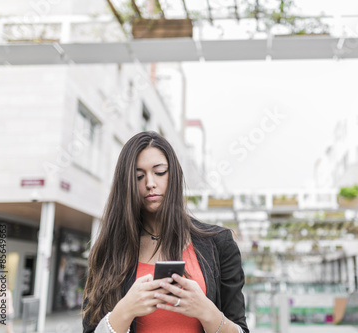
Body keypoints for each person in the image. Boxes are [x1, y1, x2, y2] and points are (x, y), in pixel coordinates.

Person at [82, 131, 248, 333]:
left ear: (175, 175)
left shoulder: (219, 244)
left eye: (159, 172)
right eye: (138, 176)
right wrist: (125, 311)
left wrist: (207, 312)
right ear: (127, 184)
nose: (150, 183)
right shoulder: (110, 250)